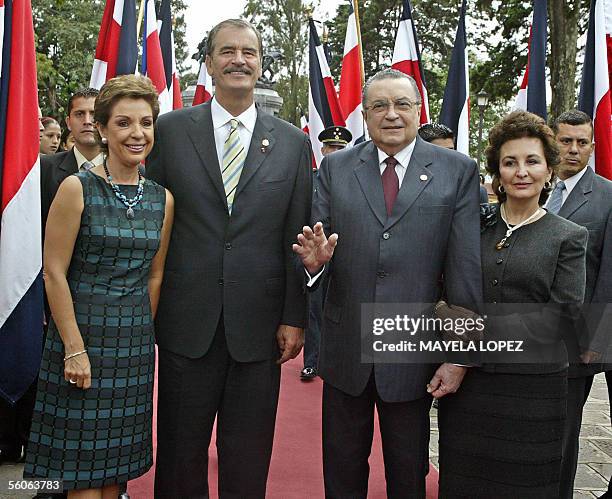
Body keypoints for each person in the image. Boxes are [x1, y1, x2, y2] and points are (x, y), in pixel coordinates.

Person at [293, 68, 482, 497]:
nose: (391, 114)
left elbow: (465, 270)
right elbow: (314, 252)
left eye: (402, 104)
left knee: (408, 472)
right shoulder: (336, 168)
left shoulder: (457, 171)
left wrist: (460, 355)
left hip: (412, 353)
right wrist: (315, 265)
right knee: (341, 473)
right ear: (365, 114)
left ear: (419, 111)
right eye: (379, 105)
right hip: (345, 350)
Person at [147, 19, 312, 498]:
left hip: (260, 329)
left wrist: (293, 316)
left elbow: (294, 237)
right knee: (180, 455)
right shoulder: (171, 130)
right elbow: (153, 221)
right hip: (185, 321)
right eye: (227, 51)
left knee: (248, 457)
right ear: (209, 62)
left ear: (260, 63)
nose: (239, 60)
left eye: (249, 52)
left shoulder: (292, 142)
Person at [23, 74, 174, 497]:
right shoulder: (77, 189)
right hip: (80, 343)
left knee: (115, 477)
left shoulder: (162, 198)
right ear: (104, 129)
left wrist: (141, 330)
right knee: (82, 481)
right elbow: (53, 272)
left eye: (145, 123)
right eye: (124, 123)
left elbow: (155, 274)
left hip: (133, 351)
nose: (137, 133)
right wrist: (73, 347)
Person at [437, 110, 588, 498]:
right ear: (497, 173)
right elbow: (439, 293)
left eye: (532, 161)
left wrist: (468, 339)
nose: (522, 171)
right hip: (469, 391)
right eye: (510, 162)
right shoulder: (470, 226)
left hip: (533, 394)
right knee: (463, 483)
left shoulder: (568, 236)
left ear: (549, 169)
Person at [551, 110, 612, 499]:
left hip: (576, 339)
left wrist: (598, 338)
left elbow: (609, 273)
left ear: (592, 146)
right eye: (566, 140)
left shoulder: (606, 196)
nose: (574, 149)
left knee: (564, 428)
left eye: (582, 142)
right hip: (524, 330)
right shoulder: (530, 184)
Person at [301, 125, 353, 382]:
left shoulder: (354, 180)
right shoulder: (308, 178)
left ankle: (338, 360)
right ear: (322, 149)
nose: (334, 152)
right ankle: (311, 362)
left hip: (345, 256)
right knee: (313, 310)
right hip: (314, 258)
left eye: (340, 148)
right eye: (331, 147)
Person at [40, 88, 101, 233]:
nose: (87, 121)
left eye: (94, 114)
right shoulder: (44, 168)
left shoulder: (130, 171)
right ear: (68, 122)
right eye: (80, 114)